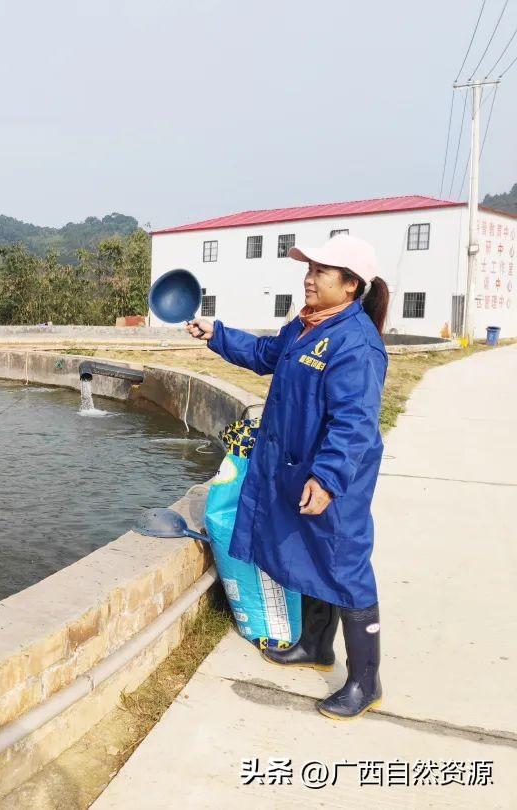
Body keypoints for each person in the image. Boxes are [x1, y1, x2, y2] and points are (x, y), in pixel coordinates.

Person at [185, 234, 390, 720]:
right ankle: (316, 647)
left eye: (321, 271)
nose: (309, 277)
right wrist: (216, 334)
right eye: (309, 268)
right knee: (312, 560)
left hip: (333, 482)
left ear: (350, 285)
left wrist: (328, 479)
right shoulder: (305, 327)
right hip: (298, 470)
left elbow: (354, 423)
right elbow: (264, 355)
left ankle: (366, 680)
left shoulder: (356, 344)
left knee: (345, 569)